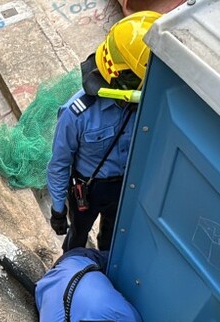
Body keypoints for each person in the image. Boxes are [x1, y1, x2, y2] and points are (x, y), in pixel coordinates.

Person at [46, 11, 160, 251]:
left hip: (125, 186)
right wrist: (58, 209)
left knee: (112, 239)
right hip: (88, 190)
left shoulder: (146, 105)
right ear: (122, 77)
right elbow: (59, 164)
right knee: (77, 238)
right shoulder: (76, 114)